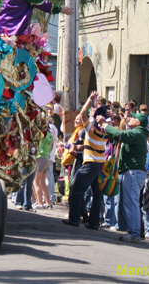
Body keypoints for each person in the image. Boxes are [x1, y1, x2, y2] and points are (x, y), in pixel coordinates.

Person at [99, 107, 149, 243]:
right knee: (128, 202)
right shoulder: (137, 131)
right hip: (130, 172)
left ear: (138, 123)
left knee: (131, 203)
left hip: (133, 173)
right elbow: (121, 132)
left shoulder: (138, 133)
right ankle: (130, 229)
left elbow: (120, 135)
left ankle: (134, 233)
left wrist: (105, 125)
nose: (130, 118)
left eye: (133, 118)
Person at [62, 92, 107, 229]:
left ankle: (74, 219)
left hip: (91, 162)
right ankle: (93, 222)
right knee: (97, 194)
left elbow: (82, 115)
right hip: (100, 162)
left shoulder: (92, 129)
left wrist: (89, 100)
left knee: (76, 189)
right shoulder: (107, 131)